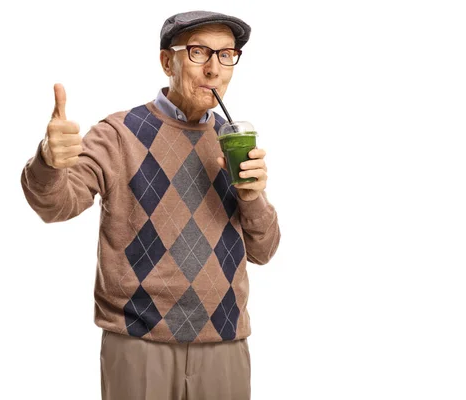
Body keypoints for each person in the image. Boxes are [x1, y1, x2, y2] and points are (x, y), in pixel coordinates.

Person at [21, 10, 281, 400]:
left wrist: (252, 196)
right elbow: (56, 205)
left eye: (227, 55)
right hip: (138, 343)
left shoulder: (233, 142)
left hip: (225, 341)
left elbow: (264, 250)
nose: (214, 69)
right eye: (198, 52)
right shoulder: (118, 134)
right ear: (166, 61)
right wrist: (48, 161)